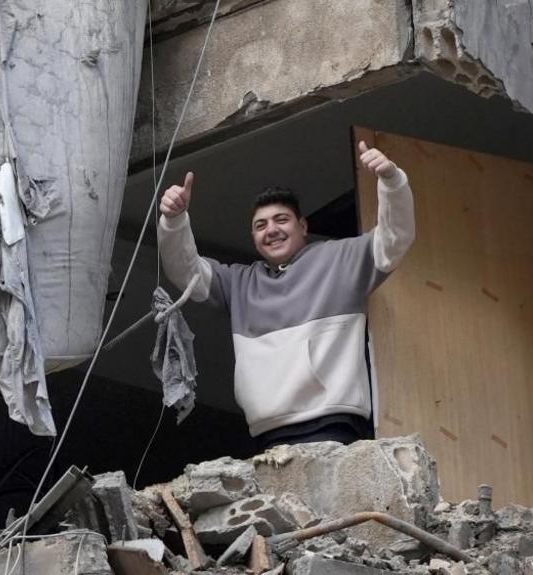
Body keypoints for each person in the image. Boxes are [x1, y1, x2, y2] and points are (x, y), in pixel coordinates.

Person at [157, 141, 415, 449]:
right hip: (268, 432)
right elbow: (186, 273)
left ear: (303, 226)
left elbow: (395, 239)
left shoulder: (341, 259)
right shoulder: (238, 283)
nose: (271, 230)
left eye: (282, 219)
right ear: (254, 239)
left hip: (334, 423)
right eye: (260, 226)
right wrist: (174, 221)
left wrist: (391, 181)